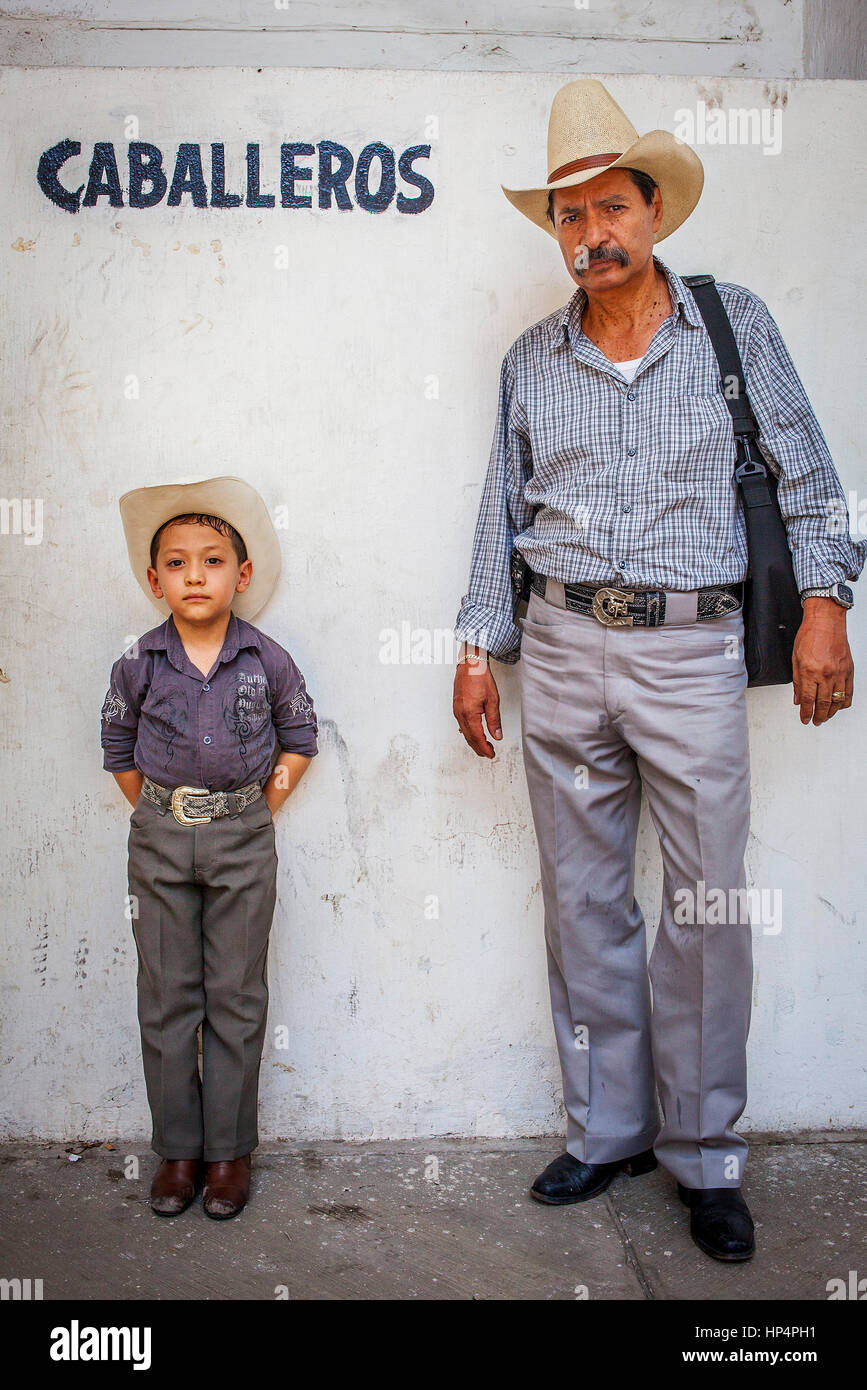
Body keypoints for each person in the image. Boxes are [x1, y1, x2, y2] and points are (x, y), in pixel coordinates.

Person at [453, 79, 865, 1262]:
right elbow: (499, 509)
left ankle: (705, 1156)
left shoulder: (732, 326)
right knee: (584, 903)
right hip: (567, 643)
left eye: (610, 208)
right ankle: (607, 1129)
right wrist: (480, 647)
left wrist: (827, 608)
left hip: (693, 651)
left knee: (704, 907)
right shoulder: (531, 360)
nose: (592, 233)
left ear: (654, 214)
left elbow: (809, 474)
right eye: (569, 216)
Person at [100, 476, 318, 1218]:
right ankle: (178, 1153)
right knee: (166, 998)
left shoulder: (267, 659)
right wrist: (165, 812)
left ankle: (228, 1153)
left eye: (214, 559)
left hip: (244, 839)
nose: (196, 574)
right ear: (153, 578)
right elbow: (118, 744)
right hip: (159, 841)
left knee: (235, 994)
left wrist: (255, 808)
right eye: (178, 562)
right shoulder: (137, 660)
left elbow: (300, 738)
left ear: (242, 574)